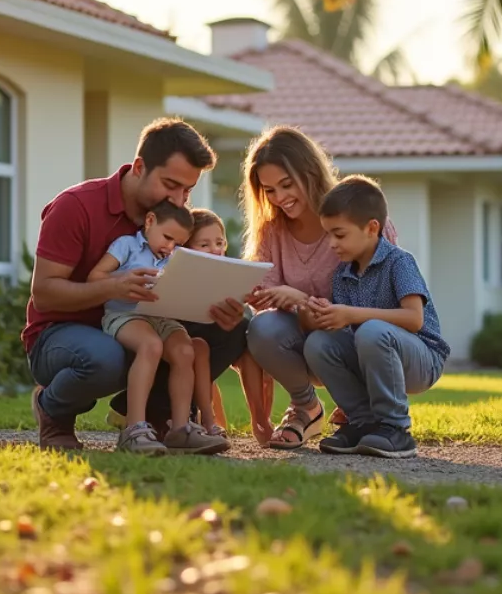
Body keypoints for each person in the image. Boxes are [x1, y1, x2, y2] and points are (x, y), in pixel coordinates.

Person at [24, 118, 248, 450]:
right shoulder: (76, 207)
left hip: (145, 322)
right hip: (63, 332)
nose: (179, 199)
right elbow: (43, 295)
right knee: (106, 357)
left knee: (233, 326)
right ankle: (53, 409)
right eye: (170, 185)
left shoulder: (174, 222)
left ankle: (160, 419)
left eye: (187, 190)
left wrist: (216, 306)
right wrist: (111, 287)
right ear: (140, 167)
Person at [240, 126, 397, 450]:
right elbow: (263, 289)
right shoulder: (272, 230)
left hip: (360, 339)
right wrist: (253, 293)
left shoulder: (357, 216)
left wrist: (300, 300)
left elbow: (379, 293)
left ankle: (360, 405)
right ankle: (305, 407)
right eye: (269, 190)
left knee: (332, 336)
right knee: (262, 326)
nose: (280, 198)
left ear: (310, 173)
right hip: (307, 340)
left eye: (287, 184)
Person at [302, 175, 449, 459]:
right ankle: (362, 422)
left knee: (371, 331)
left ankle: (396, 429)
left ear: (371, 228)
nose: (331, 243)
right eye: (328, 235)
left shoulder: (399, 262)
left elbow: (414, 319)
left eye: (339, 234)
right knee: (318, 343)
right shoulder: (342, 276)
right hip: (372, 354)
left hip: (422, 359)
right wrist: (321, 315)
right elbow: (344, 332)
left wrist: (351, 314)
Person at [88, 201, 228, 455]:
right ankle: (135, 428)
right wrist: (125, 279)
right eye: (167, 237)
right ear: (150, 221)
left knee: (186, 351)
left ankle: (181, 428)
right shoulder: (126, 245)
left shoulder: (174, 257)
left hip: (161, 317)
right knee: (150, 345)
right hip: (124, 314)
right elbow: (94, 278)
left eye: (177, 243)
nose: (169, 246)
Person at [185, 208, 273, 443]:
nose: (215, 249)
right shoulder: (181, 275)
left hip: (220, 338)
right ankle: (211, 418)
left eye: (219, 242)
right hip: (188, 340)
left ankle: (261, 420)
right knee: (201, 348)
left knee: (249, 337)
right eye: (204, 245)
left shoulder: (228, 273)